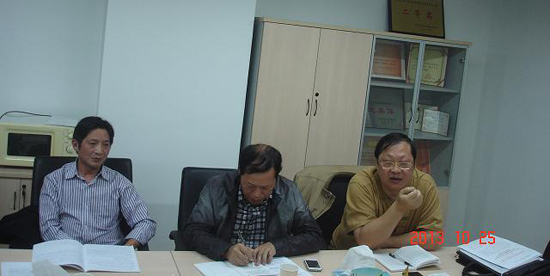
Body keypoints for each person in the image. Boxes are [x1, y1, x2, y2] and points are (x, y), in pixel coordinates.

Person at [182, 144, 325, 265]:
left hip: (266, 266)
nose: (256, 194)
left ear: (276, 179)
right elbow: (192, 231)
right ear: (240, 174)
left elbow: (314, 236)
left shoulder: (289, 191)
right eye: (250, 186)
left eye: (265, 188)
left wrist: (276, 246)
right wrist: (226, 250)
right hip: (224, 265)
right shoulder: (217, 187)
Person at [39, 116, 156, 247]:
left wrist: (126, 249)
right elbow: (48, 227)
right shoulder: (54, 181)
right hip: (67, 251)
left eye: (105, 145)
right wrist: (74, 249)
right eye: (93, 144)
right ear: (76, 145)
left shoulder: (119, 183)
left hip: (109, 252)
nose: (99, 151)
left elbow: (146, 223)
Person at [332, 132, 443, 250]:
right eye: (387, 163)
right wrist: (399, 207)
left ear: (414, 166)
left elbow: (435, 238)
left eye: (404, 164)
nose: (396, 170)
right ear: (376, 164)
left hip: (398, 254)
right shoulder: (362, 183)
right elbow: (365, 241)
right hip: (348, 253)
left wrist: (387, 242)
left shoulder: (425, 184)